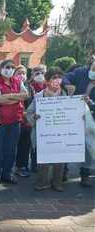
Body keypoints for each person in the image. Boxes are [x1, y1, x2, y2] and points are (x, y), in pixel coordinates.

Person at [27, 67, 68, 191]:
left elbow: (72, 112)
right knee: (43, 158)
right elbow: (29, 112)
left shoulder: (66, 95)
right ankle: (42, 181)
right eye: (53, 77)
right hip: (43, 133)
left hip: (61, 133)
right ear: (47, 80)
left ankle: (57, 182)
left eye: (59, 77)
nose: (57, 80)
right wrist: (34, 117)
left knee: (60, 159)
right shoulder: (39, 96)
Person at [0, 59, 29, 185]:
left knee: (11, 149)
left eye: (12, 67)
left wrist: (9, 97)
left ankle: (7, 173)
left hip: (15, 121)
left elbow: (26, 95)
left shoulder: (17, 81)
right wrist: (16, 97)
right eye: (7, 67)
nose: (9, 69)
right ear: (1, 68)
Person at [63, 54, 95, 187]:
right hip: (73, 115)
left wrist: (91, 103)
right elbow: (65, 77)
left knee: (88, 146)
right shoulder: (80, 72)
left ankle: (85, 174)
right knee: (67, 141)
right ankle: (63, 171)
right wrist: (68, 85)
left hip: (91, 117)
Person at [14, 65, 34, 177]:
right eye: (19, 73)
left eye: (24, 73)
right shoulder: (12, 86)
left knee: (25, 145)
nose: (22, 75)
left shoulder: (29, 87)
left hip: (26, 122)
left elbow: (32, 102)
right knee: (11, 146)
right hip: (14, 120)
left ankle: (22, 166)